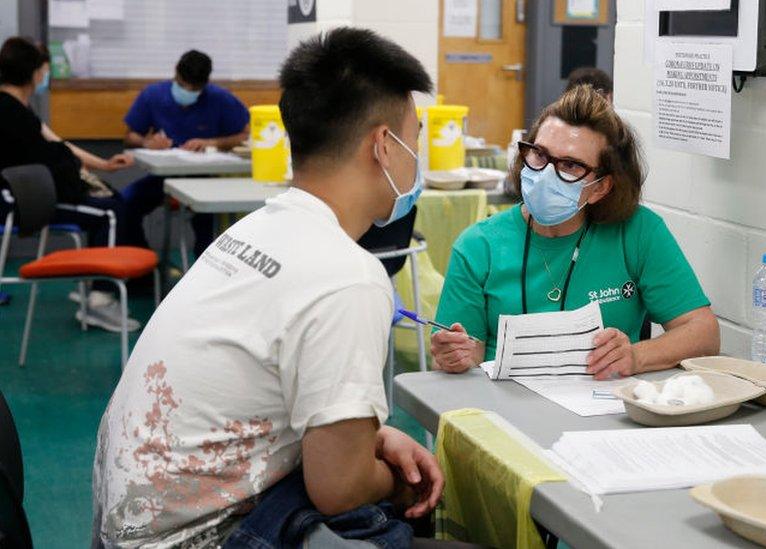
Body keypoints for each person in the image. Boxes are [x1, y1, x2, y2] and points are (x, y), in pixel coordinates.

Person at [92, 28, 458, 548]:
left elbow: (254, 386)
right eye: (414, 136)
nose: (416, 154)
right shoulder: (348, 276)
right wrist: (399, 482)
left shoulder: (253, 229)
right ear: (383, 145)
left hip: (129, 524)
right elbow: (342, 488)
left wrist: (371, 438)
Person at [432, 85, 720, 378]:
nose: (546, 174)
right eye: (539, 155)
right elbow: (467, 354)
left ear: (600, 187)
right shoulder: (478, 246)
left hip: (605, 412)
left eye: (570, 165)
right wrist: (455, 356)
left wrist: (635, 356)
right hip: (505, 411)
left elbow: (703, 333)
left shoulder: (637, 232)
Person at [0, 37, 138, 332]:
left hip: (25, 196)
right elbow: (52, 155)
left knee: (108, 204)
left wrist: (103, 165)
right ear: (36, 73)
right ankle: (101, 300)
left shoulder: (14, 108)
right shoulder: (12, 114)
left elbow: (56, 143)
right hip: (20, 202)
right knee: (110, 212)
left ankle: (93, 283)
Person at [120, 49, 250, 258]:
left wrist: (212, 142)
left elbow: (245, 135)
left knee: (207, 219)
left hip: (207, 179)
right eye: (181, 85)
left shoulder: (221, 99)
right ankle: (143, 270)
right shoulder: (153, 95)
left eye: (194, 89)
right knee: (125, 204)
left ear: (205, 84)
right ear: (175, 75)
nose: (187, 92)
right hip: (163, 179)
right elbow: (130, 136)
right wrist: (147, 142)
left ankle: (205, 271)